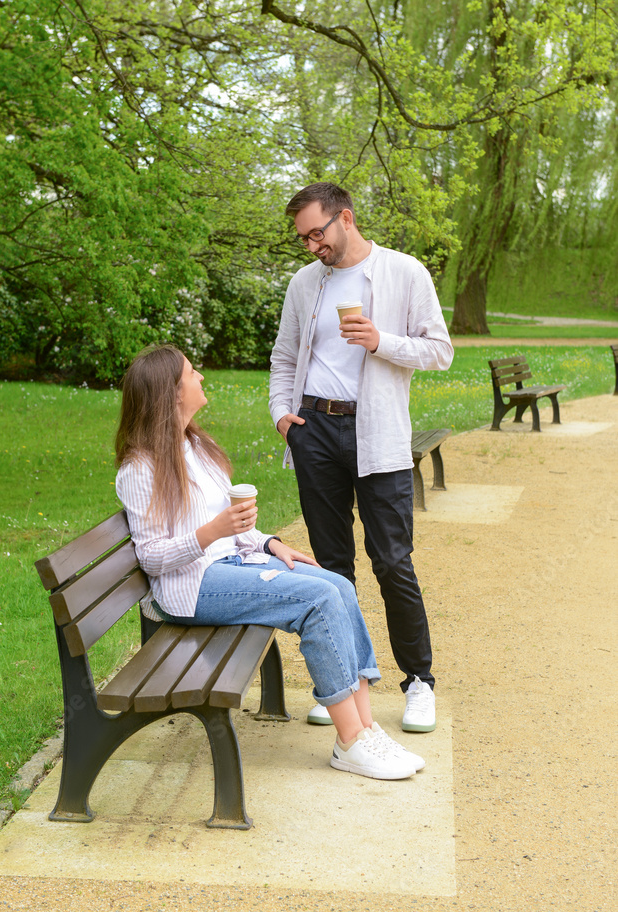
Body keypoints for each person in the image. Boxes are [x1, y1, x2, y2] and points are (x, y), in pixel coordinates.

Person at [114, 344, 425, 780]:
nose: (200, 376)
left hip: (229, 567)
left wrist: (270, 544)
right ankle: (350, 741)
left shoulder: (195, 448)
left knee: (336, 584)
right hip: (194, 588)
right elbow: (151, 558)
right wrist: (212, 532)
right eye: (190, 373)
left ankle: (367, 729)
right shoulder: (139, 469)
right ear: (169, 393)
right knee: (316, 599)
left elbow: (234, 527)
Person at [269, 182, 453, 733]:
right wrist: (284, 415)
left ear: (345, 218)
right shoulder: (305, 284)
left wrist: (381, 341)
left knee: (393, 562)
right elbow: (283, 354)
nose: (311, 247)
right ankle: (341, 685)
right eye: (302, 238)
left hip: (379, 433)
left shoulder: (404, 272)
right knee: (331, 569)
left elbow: (440, 350)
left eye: (316, 233)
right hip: (315, 431)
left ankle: (419, 682)